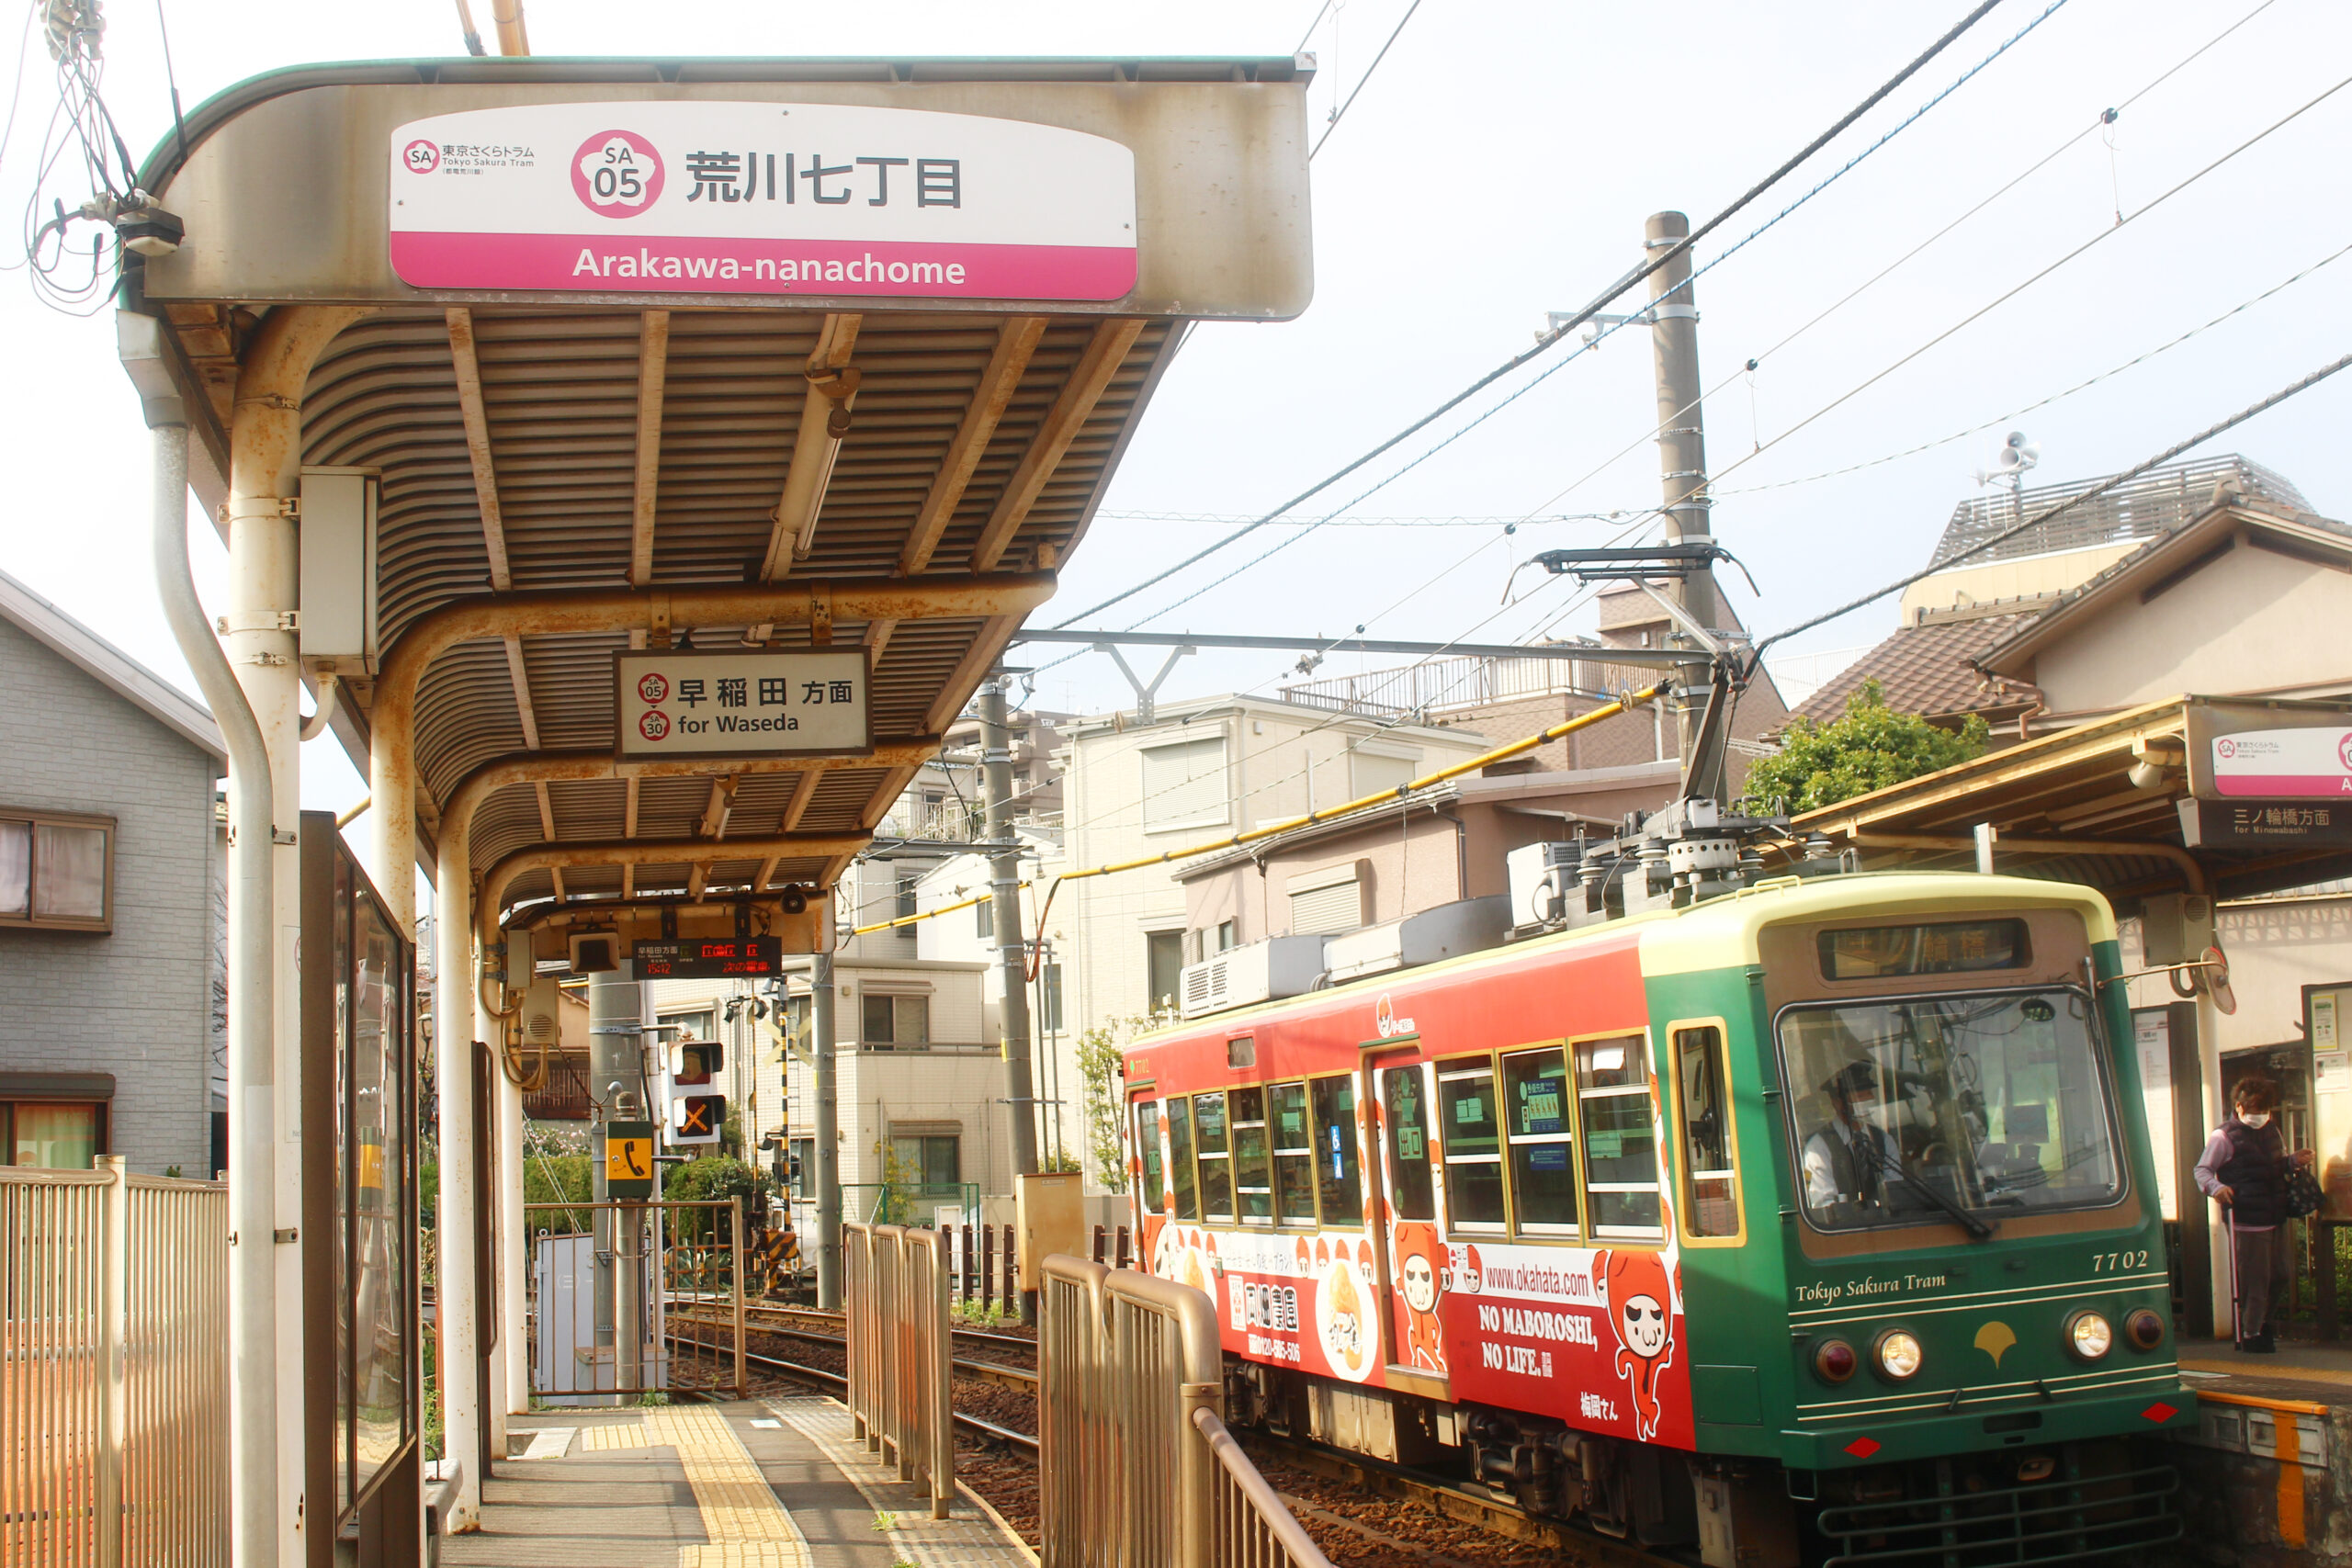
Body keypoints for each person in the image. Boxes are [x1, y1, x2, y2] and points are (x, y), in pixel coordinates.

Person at [2195, 1076, 2313, 1353]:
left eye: (2264, 1110)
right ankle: (2251, 1333)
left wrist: (2293, 1160)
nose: (2260, 1116)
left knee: (2281, 1274)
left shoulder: (2271, 1130)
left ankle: (2261, 1324)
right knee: (2256, 1280)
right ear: (2239, 1108)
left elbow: (2274, 1165)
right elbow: (2202, 1169)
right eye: (2256, 1110)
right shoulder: (2223, 1136)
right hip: (2247, 1217)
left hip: (2275, 1213)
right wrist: (2217, 1188)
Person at [1802, 1062, 1906, 1215]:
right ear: (1837, 1102)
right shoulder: (1819, 1147)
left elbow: (1895, 1190)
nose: (1868, 1100)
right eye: (1860, 1096)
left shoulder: (1883, 1139)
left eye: (1869, 1094)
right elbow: (1823, 1203)